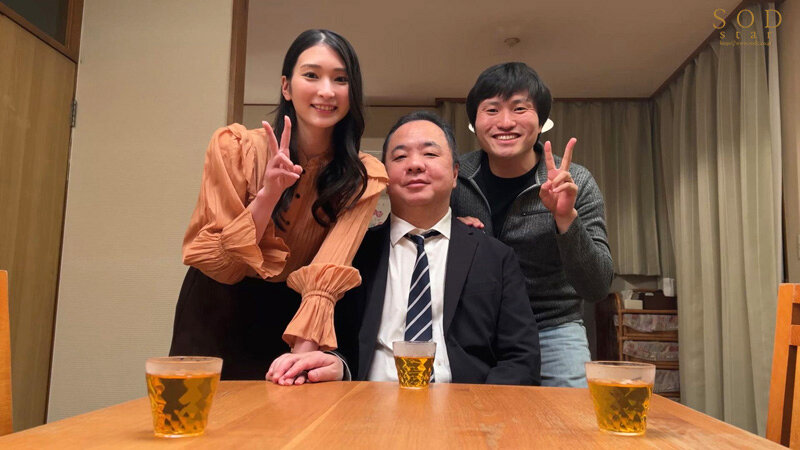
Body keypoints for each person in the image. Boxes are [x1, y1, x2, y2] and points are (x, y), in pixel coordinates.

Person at [169, 29, 388, 380]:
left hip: (293, 314)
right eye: (311, 75)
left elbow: (327, 270)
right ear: (286, 86)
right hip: (217, 302)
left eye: (341, 79)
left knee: (288, 406)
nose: (326, 91)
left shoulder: (363, 177)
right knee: (198, 410)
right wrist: (268, 194)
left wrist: (303, 350)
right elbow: (222, 265)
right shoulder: (235, 147)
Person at [266, 111, 540, 386]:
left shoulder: (495, 257)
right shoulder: (354, 253)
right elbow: (343, 345)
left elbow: (520, 358)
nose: (415, 165)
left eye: (430, 154)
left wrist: (477, 407)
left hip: (464, 403)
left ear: (455, 173)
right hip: (368, 402)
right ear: (384, 176)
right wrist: (338, 366)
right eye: (400, 157)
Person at [450, 62, 613, 387]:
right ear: (475, 122)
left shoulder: (576, 181)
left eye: (519, 108)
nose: (505, 122)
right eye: (491, 110)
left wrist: (566, 219)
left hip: (551, 328)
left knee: (569, 417)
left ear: (540, 122)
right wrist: (449, 229)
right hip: (473, 329)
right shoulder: (454, 178)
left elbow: (596, 286)